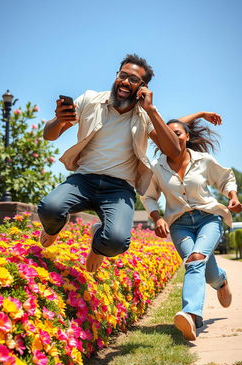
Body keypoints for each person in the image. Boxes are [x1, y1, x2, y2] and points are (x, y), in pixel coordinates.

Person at [37, 54, 181, 273]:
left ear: (143, 88)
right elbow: (49, 135)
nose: (125, 82)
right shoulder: (90, 100)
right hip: (83, 180)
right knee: (50, 208)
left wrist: (151, 110)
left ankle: (97, 243)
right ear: (116, 76)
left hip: (119, 189)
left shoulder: (146, 115)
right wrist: (58, 120)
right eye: (122, 76)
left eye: (133, 80)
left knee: (116, 242)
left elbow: (174, 151)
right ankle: (53, 229)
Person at [141, 111, 242, 340]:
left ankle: (191, 315)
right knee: (201, 265)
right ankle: (221, 280)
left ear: (186, 136)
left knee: (195, 260)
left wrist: (232, 196)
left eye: (177, 133)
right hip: (180, 224)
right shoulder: (157, 167)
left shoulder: (203, 160)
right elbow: (148, 196)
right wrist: (157, 217)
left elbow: (225, 178)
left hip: (209, 218)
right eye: (167, 134)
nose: (172, 137)